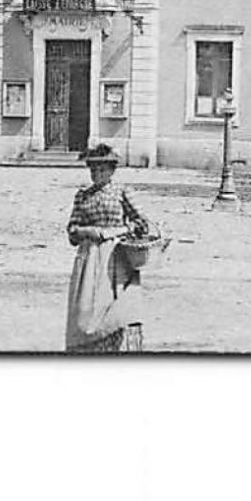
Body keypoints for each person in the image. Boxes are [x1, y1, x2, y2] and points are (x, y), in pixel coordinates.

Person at [65, 142, 150, 353]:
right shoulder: (83, 195)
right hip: (89, 257)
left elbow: (143, 224)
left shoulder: (122, 192)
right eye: (93, 169)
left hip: (116, 255)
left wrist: (119, 231)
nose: (96, 174)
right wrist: (87, 232)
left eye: (102, 169)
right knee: (88, 305)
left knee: (115, 304)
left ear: (112, 171)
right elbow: (72, 230)